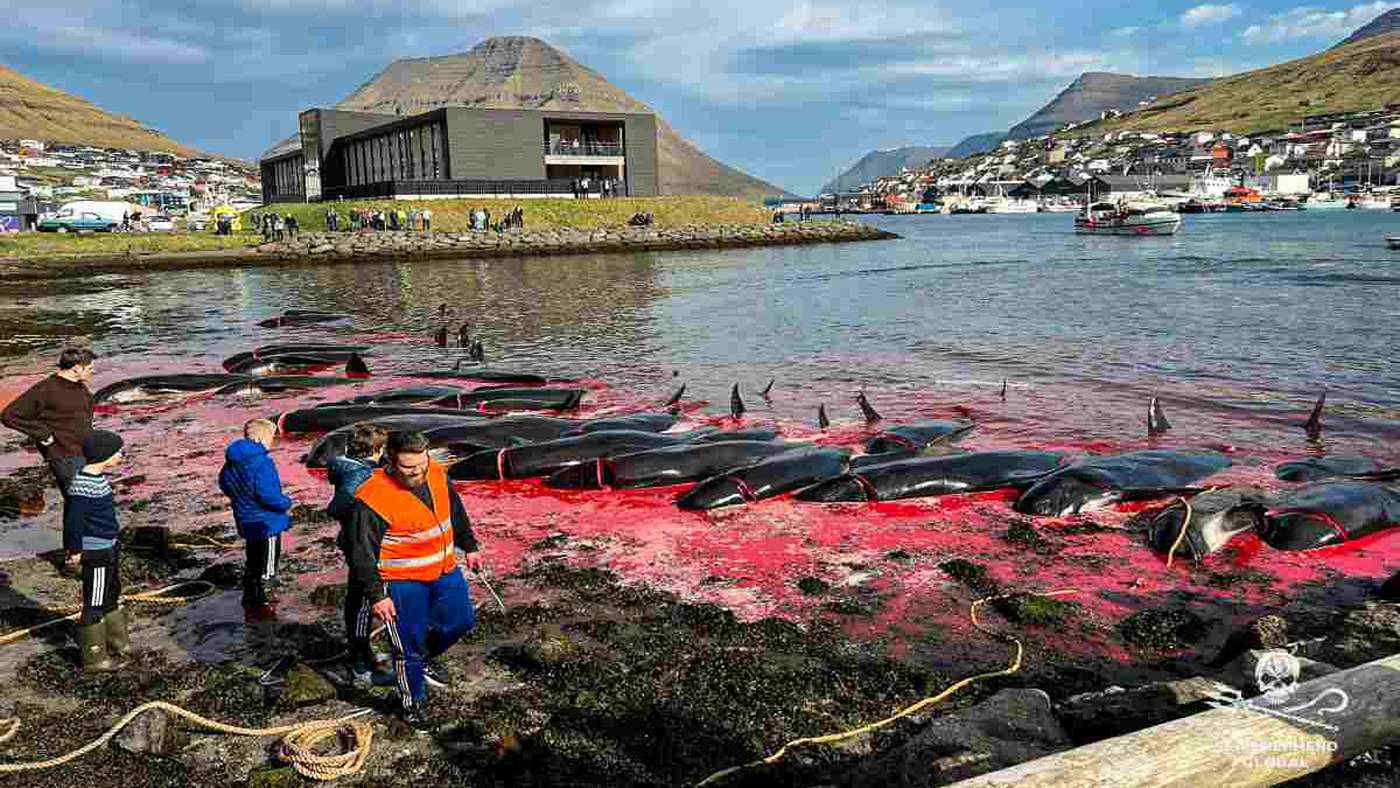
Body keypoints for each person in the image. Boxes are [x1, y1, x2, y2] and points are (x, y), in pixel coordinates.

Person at [345, 431, 481, 728]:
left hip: (444, 568)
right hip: (401, 580)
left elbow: (455, 511)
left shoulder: (435, 472)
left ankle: (424, 658)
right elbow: (361, 554)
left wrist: (469, 546)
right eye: (408, 468)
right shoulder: (371, 500)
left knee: (462, 621)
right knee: (407, 647)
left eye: (421, 463)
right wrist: (377, 596)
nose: (417, 471)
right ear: (390, 463)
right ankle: (412, 702)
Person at [2, 345, 96, 568]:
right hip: (62, 454)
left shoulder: (80, 387)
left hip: (83, 451)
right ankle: (74, 556)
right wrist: (43, 435)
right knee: (78, 502)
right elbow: (10, 415)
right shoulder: (46, 389)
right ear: (76, 368)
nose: (93, 371)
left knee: (83, 501)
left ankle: (81, 549)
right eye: (90, 368)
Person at [326, 423, 390, 686]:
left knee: (359, 600)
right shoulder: (362, 475)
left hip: (357, 540)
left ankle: (363, 653)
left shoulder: (346, 466)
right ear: (378, 449)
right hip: (364, 544)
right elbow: (340, 505)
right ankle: (360, 664)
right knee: (363, 603)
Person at [67, 429, 129, 673]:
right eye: (118, 452)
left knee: (112, 593)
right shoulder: (83, 485)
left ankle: (118, 642)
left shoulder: (98, 479)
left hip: (109, 545)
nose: (121, 456)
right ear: (104, 455)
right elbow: (73, 522)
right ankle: (95, 659)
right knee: (94, 601)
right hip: (96, 551)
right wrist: (75, 550)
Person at [218, 418, 293, 611]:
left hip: (245, 518)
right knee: (268, 567)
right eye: (272, 437)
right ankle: (266, 605)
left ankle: (250, 599)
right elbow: (267, 494)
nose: (273, 442)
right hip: (266, 522)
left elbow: (224, 484)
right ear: (262, 437)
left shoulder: (232, 462)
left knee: (252, 561)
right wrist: (286, 502)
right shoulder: (262, 463)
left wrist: (242, 498)